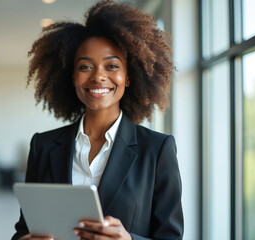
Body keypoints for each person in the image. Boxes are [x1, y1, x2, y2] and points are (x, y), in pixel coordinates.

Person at [12, 0, 183, 239]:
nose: (98, 76)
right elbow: (24, 229)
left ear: (129, 77)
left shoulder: (156, 150)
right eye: (85, 67)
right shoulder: (43, 146)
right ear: (72, 77)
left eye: (112, 65)